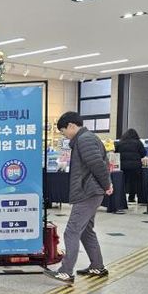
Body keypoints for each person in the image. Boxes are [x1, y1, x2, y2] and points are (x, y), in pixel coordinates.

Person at [45, 112, 112, 284]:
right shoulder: (86, 138)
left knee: (72, 231)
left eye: (63, 131)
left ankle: (66, 271)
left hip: (87, 192)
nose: (64, 135)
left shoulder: (84, 140)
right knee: (86, 231)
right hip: (90, 191)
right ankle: (97, 266)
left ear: (71, 126)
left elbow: (97, 164)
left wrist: (107, 185)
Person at [114, 128, 146, 203]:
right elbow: (143, 153)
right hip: (135, 166)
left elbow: (116, 153)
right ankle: (134, 198)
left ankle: (121, 200)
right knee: (136, 183)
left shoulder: (120, 143)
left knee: (123, 183)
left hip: (123, 166)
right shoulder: (138, 143)